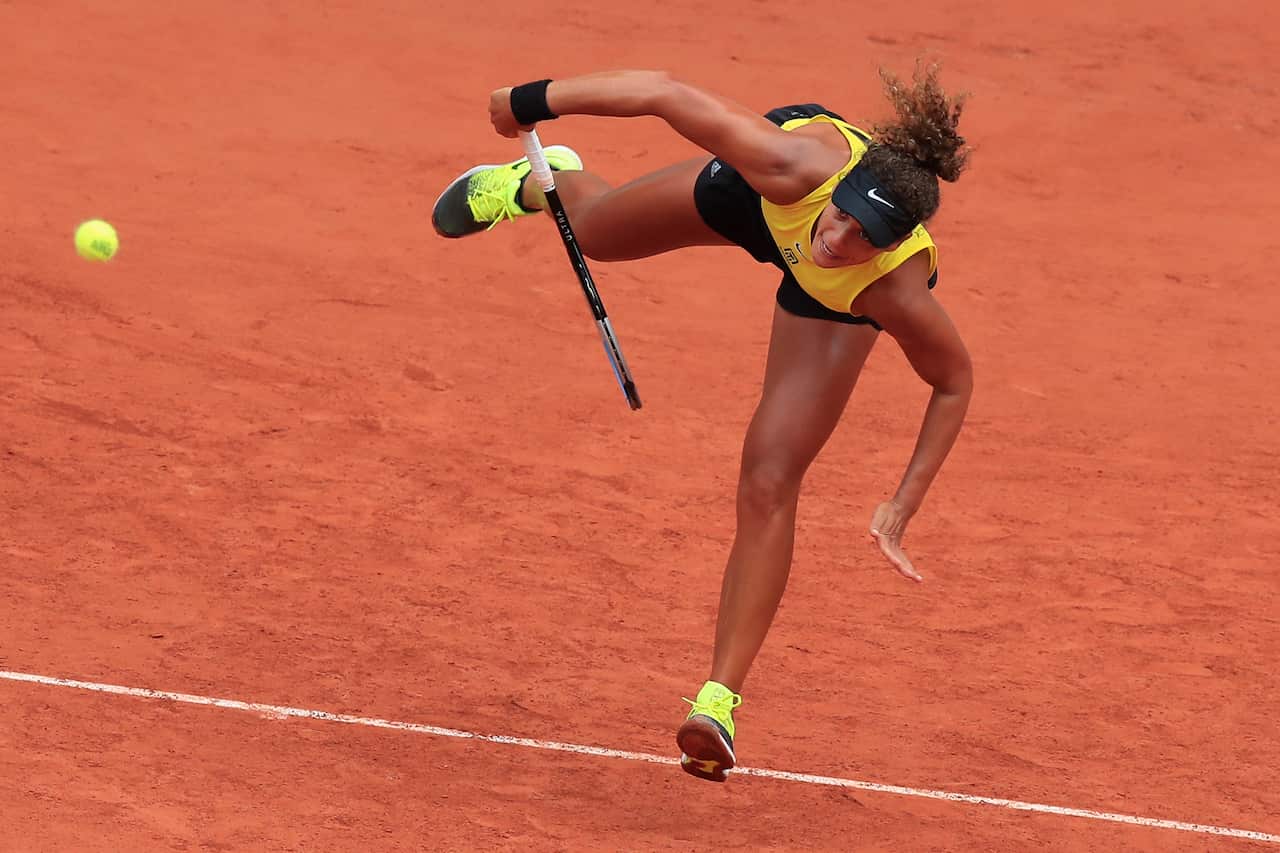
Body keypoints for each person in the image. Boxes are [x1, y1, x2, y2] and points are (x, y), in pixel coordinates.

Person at [432, 65, 973, 783]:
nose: (839, 238)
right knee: (595, 230)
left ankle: (716, 702)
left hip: (828, 303)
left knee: (770, 480)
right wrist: (529, 102)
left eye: (863, 235)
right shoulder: (791, 166)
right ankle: (536, 183)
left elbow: (953, 382)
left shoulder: (889, 289)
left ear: (891, 243)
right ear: (837, 193)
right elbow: (665, 93)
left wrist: (903, 502)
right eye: (842, 215)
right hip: (765, 204)